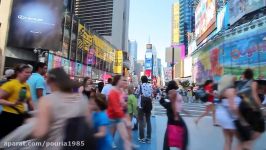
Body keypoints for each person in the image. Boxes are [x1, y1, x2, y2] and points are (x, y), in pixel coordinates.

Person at [31, 68, 89, 149]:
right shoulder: (83, 99)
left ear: (50, 81)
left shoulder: (47, 100)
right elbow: (88, 123)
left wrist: (30, 126)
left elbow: (41, 132)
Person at [0, 64, 34, 139]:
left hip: (20, 116)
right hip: (8, 116)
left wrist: (34, 110)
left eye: (30, 73)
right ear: (18, 73)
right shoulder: (10, 84)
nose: (29, 74)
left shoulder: (26, 85)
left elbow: (29, 100)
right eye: (26, 72)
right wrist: (12, 103)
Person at [236, 68, 265, 149]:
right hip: (251, 109)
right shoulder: (253, 82)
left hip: (242, 108)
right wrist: (262, 108)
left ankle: (246, 143)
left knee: (244, 138)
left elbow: (238, 96)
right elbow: (255, 96)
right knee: (259, 129)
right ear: (252, 75)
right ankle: (248, 143)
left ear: (244, 75)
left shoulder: (240, 84)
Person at [160, 80, 188, 150]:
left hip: (173, 118)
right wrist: (176, 115)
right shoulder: (174, 93)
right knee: (182, 137)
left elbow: (171, 104)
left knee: (168, 139)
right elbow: (172, 103)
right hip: (175, 118)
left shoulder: (171, 93)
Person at [216, 75, 241, 150]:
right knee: (242, 141)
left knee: (228, 140)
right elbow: (233, 107)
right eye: (233, 80)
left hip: (223, 116)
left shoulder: (222, 91)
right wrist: (242, 118)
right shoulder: (231, 90)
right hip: (230, 117)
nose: (235, 81)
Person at [107, 75, 132, 150]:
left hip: (118, 117)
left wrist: (124, 104)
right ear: (118, 81)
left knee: (126, 138)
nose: (124, 81)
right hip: (112, 117)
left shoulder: (120, 91)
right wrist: (124, 118)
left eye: (124, 80)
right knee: (110, 135)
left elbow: (122, 103)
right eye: (122, 80)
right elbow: (116, 108)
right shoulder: (113, 92)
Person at [135, 75, 153, 144]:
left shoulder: (140, 86)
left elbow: (136, 94)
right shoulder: (150, 86)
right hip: (148, 105)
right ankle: (148, 138)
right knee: (148, 120)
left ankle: (141, 138)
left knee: (141, 121)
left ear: (141, 80)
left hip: (141, 105)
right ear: (147, 80)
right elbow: (151, 95)